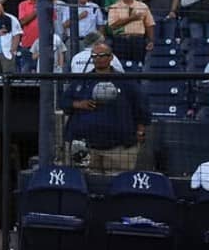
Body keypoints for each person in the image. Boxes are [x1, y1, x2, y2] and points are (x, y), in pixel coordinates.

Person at [60, 43, 149, 173]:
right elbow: (63, 101)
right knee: (87, 186)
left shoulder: (126, 82)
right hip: (86, 148)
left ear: (111, 57)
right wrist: (79, 104)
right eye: (94, 56)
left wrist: (140, 132)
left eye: (102, 55)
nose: (98, 59)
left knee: (118, 186)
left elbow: (141, 107)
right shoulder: (82, 80)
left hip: (119, 148)